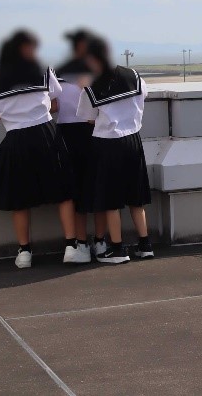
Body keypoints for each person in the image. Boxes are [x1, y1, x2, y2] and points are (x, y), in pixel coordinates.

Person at [0, 30, 80, 269]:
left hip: (16, 138)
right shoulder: (42, 70)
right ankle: (71, 246)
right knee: (63, 190)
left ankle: (24, 252)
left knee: (19, 198)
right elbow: (55, 97)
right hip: (46, 132)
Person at [77, 36, 152, 264]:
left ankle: (118, 250)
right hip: (133, 140)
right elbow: (142, 99)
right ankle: (145, 245)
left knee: (111, 200)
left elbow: (89, 118)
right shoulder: (134, 76)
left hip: (107, 143)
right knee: (136, 198)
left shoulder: (91, 86)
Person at [55, 29, 106, 261]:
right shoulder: (99, 71)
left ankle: (84, 243)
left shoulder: (58, 72)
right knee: (95, 188)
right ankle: (96, 241)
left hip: (72, 133)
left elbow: (52, 105)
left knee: (79, 190)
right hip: (92, 131)